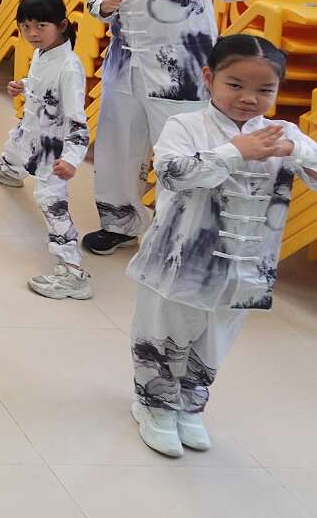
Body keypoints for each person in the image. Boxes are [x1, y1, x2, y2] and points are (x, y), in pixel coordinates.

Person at [125, 35, 317, 458]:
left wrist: (297, 149)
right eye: (235, 85)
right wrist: (234, 153)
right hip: (180, 261)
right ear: (209, 77)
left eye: (265, 89)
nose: (249, 98)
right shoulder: (185, 126)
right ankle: (154, 405)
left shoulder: (281, 133)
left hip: (245, 268)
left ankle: (190, 406)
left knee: (214, 341)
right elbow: (171, 175)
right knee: (165, 334)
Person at [80, 0, 253, 255]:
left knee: (182, 151)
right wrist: (103, 6)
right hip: (124, 64)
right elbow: (94, 1)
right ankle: (120, 223)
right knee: (117, 144)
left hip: (181, 68)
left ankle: (182, 235)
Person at [0, 0, 93, 299]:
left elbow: (78, 122)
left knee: (51, 200)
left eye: (40, 25)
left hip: (53, 147)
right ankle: (10, 171)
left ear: (61, 25)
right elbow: (43, 82)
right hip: (33, 127)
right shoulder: (44, 52)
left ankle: (73, 271)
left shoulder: (70, 68)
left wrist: (72, 159)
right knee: (17, 143)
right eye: (25, 26)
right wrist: (24, 85)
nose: (32, 33)